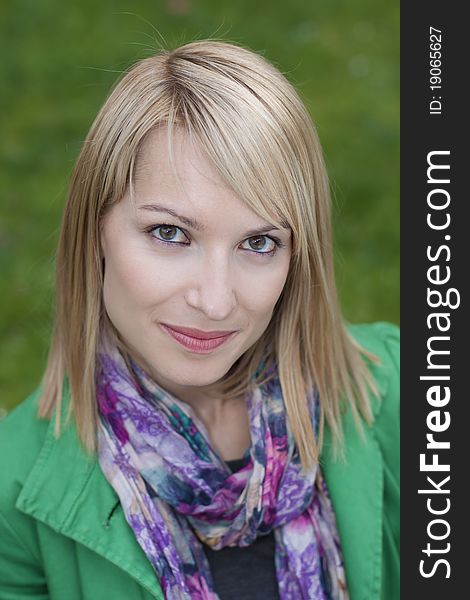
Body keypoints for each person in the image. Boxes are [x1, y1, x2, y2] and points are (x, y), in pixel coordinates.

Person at [0, 40, 399, 600]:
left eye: (259, 243)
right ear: (95, 230)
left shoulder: (409, 394)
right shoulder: (12, 492)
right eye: (170, 234)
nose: (215, 302)